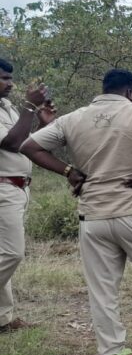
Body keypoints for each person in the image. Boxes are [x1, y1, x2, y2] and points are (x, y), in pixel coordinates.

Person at [21, 69, 132, 355]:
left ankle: (112, 354)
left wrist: (68, 171)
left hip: (93, 217)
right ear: (131, 92)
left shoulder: (72, 118)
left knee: (102, 290)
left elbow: (30, 146)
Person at [0, 59, 55, 333]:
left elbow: (22, 142)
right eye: (4, 78)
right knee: (12, 253)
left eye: (10, 78)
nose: (10, 83)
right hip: (3, 188)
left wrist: (43, 124)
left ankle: (3, 320)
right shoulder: (15, 108)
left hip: (18, 188)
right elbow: (10, 143)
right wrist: (30, 107)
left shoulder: (7, 108)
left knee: (3, 253)